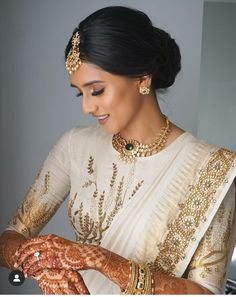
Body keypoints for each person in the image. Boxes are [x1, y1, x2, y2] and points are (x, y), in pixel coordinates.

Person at [0, 5, 235, 295]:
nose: (86, 107)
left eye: (96, 90)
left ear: (142, 78)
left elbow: (205, 293)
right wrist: (43, 264)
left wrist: (102, 260)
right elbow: (10, 239)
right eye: (80, 93)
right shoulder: (75, 145)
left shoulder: (214, 168)